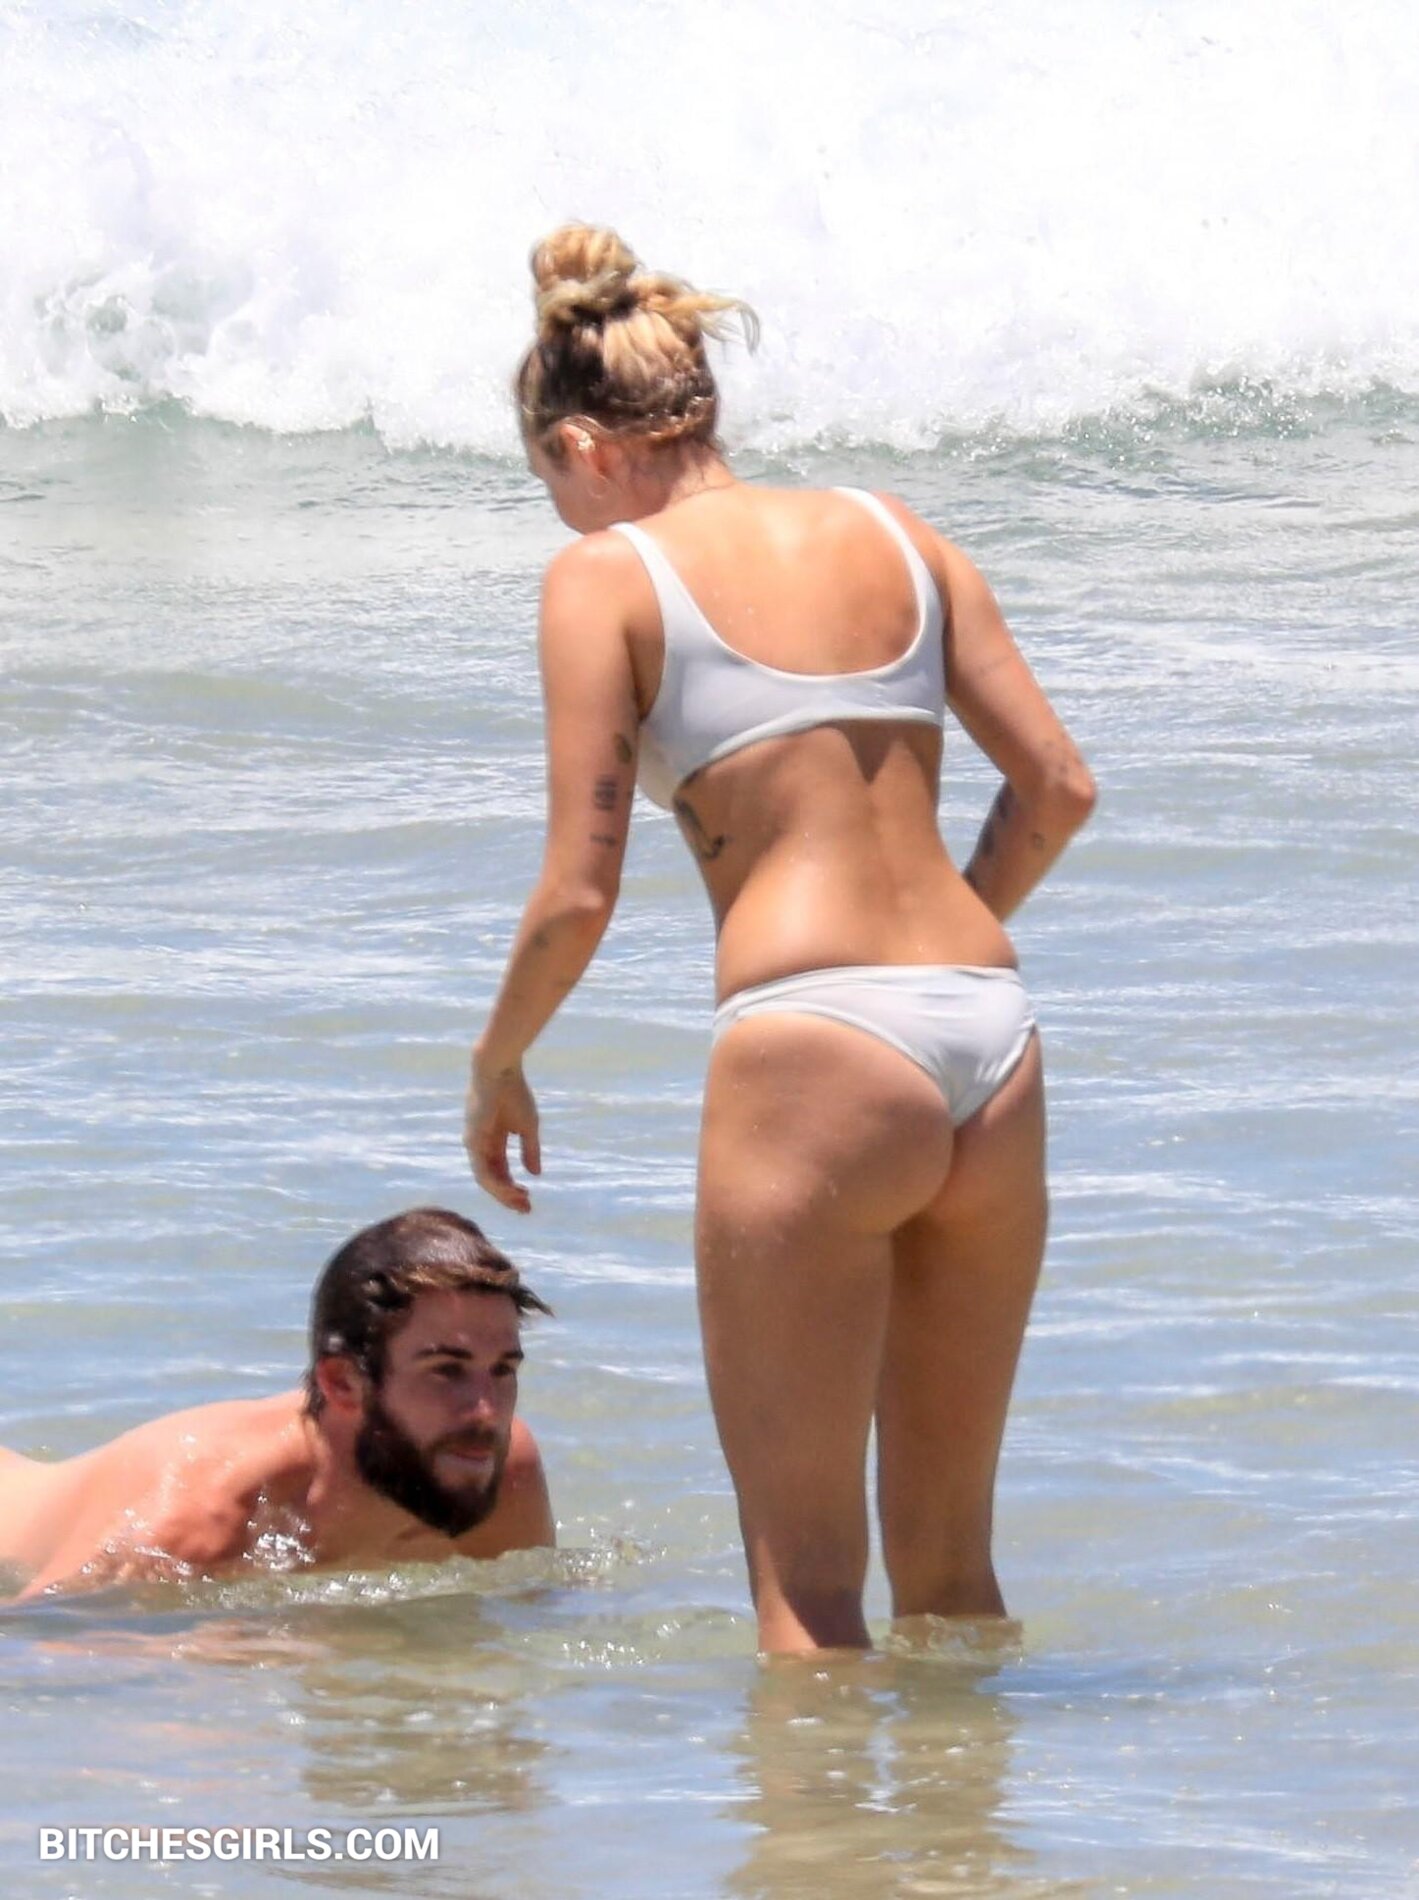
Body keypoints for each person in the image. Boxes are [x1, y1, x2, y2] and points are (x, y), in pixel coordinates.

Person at [465, 224, 1096, 1654]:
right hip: (988, 1035)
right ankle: (964, 1806)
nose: (562, 520)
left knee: (805, 1596)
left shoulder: (607, 577)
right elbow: (1059, 785)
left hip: (813, 1046)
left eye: (550, 487)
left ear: (582, 447)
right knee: (954, 1576)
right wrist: (936, 941)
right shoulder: (897, 533)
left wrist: (496, 1062)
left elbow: (575, 891)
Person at [0, 1208, 554, 1600]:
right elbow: (35, 1658)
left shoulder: (494, 1468)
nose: (487, 1412)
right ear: (343, 1384)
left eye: (503, 1370)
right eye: (446, 1371)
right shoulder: (196, 1522)